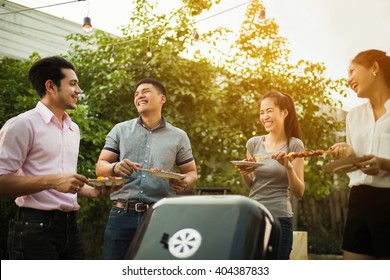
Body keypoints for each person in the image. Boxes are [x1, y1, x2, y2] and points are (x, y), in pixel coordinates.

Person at [0, 56, 120, 260]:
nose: (79, 90)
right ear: (50, 86)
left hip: (70, 228)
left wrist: (93, 192)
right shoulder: (22, 125)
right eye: (72, 84)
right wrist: (52, 181)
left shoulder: (73, 128)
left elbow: (65, 181)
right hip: (33, 230)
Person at [96, 78, 197, 260]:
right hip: (121, 214)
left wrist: (184, 183)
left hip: (160, 215)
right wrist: (115, 167)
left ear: (162, 99)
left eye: (145, 91)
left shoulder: (179, 136)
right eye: (136, 94)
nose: (139, 96)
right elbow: (100, 167)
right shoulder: (120, 130)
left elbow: (191, 172)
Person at [328, 49, 390, 260]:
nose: (349, 80)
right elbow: (353, 167)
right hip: (359, 201)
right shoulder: (354, 116)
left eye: (353, 71)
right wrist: (349, 155)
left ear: (374, 67)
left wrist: (383, 164)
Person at [234, 91, 305, 260]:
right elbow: (253, 185)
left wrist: (288, 166)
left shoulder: (294, 145)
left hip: (280, 218)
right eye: (261, 112)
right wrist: (245, 172)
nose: (264, 116)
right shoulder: (253, 143)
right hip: (254, 215)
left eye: (269, 111)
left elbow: (299, 192)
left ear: (284, 113)